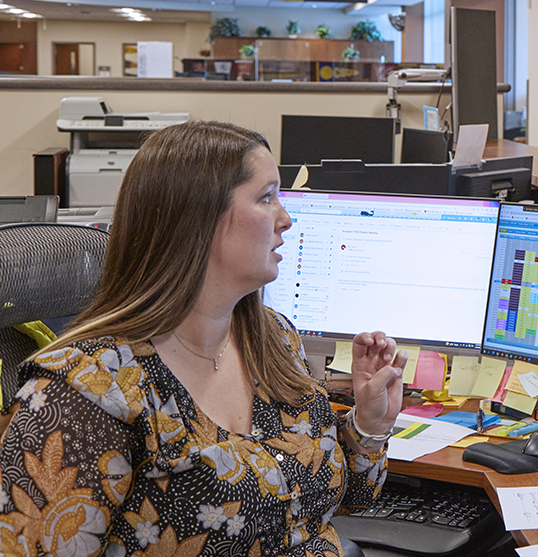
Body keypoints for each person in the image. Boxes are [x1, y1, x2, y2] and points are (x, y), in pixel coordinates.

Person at [0, 121, 407, 556]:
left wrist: (370, 426)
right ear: (198, 217)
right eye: (266, 197)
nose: (286, 219)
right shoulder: (89, 391)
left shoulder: (273, 339)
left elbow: (334, 503)